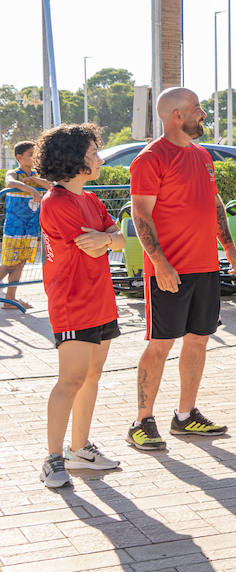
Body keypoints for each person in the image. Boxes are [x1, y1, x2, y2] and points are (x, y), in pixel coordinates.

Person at [125, 88, 236, 451]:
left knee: (198, 339)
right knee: (160, 345)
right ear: (177, 116)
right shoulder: (150, 159)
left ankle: (185, 415)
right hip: (169, 271)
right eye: (197, 109)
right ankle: (142, 421)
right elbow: (140, 214)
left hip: (205, 266)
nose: (203, 115)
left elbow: (214, 202)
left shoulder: (203, 155)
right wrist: (159, 263)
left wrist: (229, 246)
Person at [34, 124, 124, 487]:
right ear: (75, 160)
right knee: (70, 380)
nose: (100, 159)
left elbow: (119, 241)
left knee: (92, 376)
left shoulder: (91, 200)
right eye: (94, 154)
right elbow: (95, 247)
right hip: (72, 303)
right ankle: (53, 459)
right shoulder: (56, 202)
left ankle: (80, 448)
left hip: (101, 299)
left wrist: (107, 238)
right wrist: (107, 239)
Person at [2, 141, 49, 310]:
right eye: (31, 154)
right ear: (19, 157)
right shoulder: (14, 173)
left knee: (21, 262)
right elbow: (9, 183)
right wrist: (31, 189)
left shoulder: (36, 174)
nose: (34, 157)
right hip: (15, 228)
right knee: (9, 264)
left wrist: (35, 180)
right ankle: (9, 298)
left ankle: (10, 299)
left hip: (30, 228)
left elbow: (52, 186)